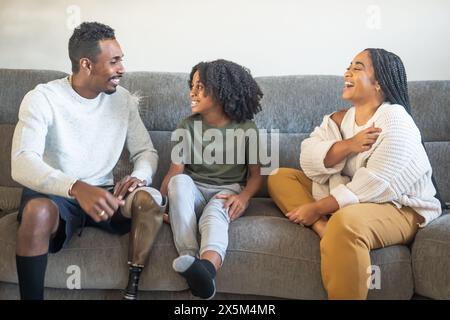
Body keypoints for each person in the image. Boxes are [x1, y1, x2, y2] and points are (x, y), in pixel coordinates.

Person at [267, 48, 443, 299]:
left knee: (346, 224)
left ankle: (333, 227)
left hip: (399, 207)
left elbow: (376, 183)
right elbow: (307, 158)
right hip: (351, 199)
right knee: (280, 176)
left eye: (357, 67)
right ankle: (323, 229)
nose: (347, 72)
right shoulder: (339, 120)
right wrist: (349, 145)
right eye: (348, 65)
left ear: (379, 83)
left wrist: (317, 207)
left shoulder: (395, 120)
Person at [11, 22, 165, 300]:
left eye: (122, 60)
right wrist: (76, 187)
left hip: (105, 194)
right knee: (37, 213)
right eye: (114, 61)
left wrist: (139, 176)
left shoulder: (124, 100)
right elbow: (22, 161)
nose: (122, 69)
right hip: (56, 194)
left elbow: (146, 152)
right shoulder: (42, 98)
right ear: (87, 64)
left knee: (149, 197)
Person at [160, 59, 264, 299]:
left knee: (216, 216)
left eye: (200, 86)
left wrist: (244, 197)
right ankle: (190, 260)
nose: (192, 92)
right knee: (180, 182)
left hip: (226, 191)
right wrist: (163, 205)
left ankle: (207, 269)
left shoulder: (247, 128)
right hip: (193, 190)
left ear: (220, 91)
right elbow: (175, 171)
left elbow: (256, 176)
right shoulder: (187, 125)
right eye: (192, 85)